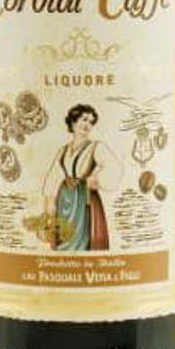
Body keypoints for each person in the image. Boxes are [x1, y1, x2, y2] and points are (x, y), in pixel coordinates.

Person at [42, 103, 121, 251]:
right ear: (73, 121)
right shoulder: (63, 151)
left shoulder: (96, 147)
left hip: (84, 199)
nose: (87, 125)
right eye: (84, 119)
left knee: (84, 239)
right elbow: (53, 176)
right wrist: (50, 201)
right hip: (65, 199)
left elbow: (114, 168)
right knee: (63, 237)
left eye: (91, 122)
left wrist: (96, 179)